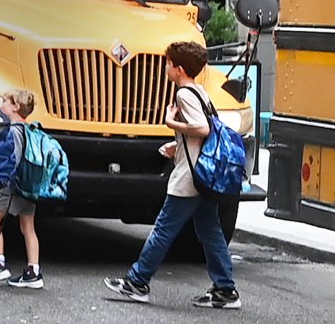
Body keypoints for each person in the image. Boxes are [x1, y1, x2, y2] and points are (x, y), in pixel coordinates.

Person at [103, 41, 241, 309]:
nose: (165, 67)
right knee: (211, 232)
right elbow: (203, 132)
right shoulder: (201, 91)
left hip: (190, 178)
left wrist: (170, 123)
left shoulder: (184, 95)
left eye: (167, 63)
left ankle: (137, 282)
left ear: (178, 69)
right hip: (205, 176)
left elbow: (201, 129)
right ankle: (226, 290)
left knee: (164, 230)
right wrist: (176, 145)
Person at [0, 89, 43, 289]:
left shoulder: (14, 130)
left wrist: (0, 176)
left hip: (13, 184)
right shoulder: (31, 129)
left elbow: (13, 159)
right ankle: (34, 271)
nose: (1, 105)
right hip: (29, 185)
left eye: (5, 101)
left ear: (16, 107)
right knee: (28, 228)